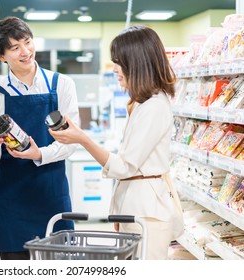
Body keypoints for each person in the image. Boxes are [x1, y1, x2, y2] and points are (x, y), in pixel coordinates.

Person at [49, 25, 184, 260]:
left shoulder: (154, 106)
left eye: (119, 62)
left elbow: (124, 166)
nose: (115, 69)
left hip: (148, 212)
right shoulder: (141, 103)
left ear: (137, 63)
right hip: (138, 206)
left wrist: (82, 138)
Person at [0, 16, 80, 260]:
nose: (25, 52)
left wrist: (40, 154)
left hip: (52, 193)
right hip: (12, 200)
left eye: (27, 42)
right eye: (15, 48)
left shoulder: (61, 85)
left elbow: (72, 141)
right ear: (1, 56)